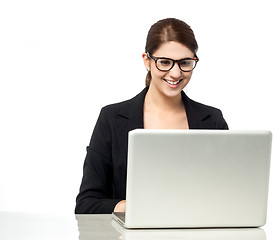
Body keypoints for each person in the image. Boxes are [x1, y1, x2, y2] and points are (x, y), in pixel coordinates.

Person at [75, 18, 228, 214]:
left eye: (185, 63)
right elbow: (87, 204)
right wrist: (135, 208)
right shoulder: (112, 118)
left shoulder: (213, 120)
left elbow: (225, 196)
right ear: (147, 61)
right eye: (164, 62)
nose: (175, 73)